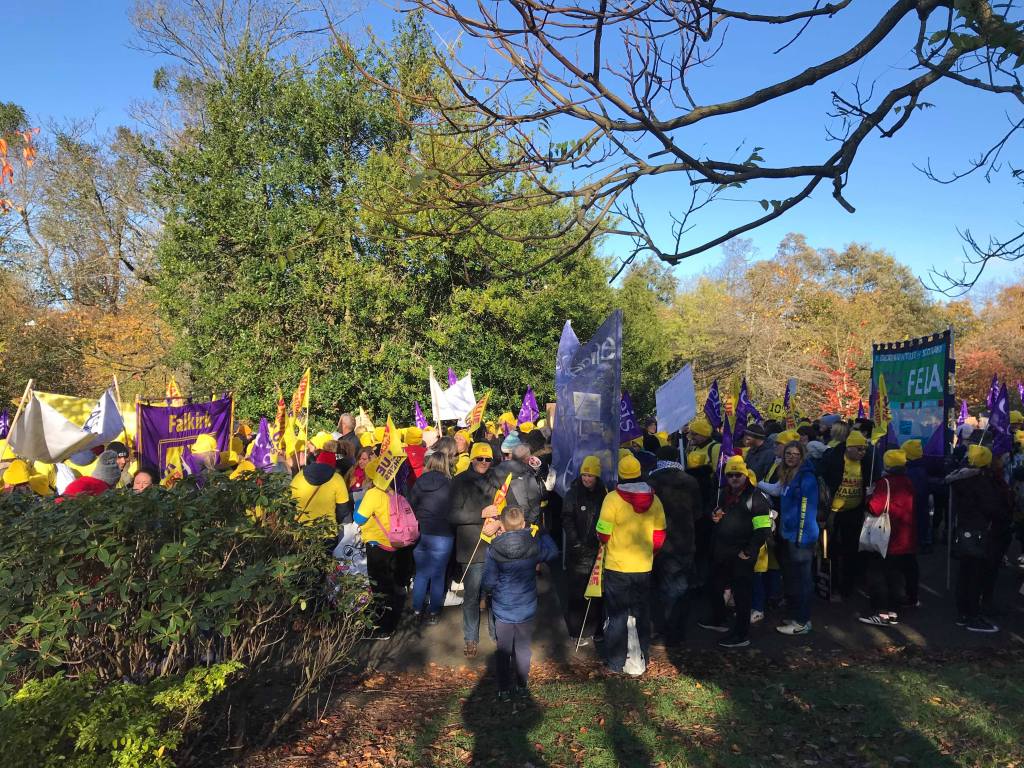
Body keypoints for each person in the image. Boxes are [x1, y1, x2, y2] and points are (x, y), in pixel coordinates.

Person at [595, 454, 667, 674]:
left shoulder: (612, 499)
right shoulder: (655, 500)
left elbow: (602, 533)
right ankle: (642, 658)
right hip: (643, 566)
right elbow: (660, 535)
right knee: (641, 613)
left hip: (617, 566)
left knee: (617, 616)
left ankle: (615, 663)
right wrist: (648, 553)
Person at [482, 505, 558, 702]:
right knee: (523, 648)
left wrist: (495, 590)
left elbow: (488, 582)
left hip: (503, 607)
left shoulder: (493, 549)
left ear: (502, 526)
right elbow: (553, 552)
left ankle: (503, 689)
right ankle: (522, 685)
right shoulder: (534, 545)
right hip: (526, 606)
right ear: (524, 524)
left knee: (503, 649)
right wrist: (543, 533)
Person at [699, 456, 772, 648]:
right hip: (721, 552)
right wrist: (712, 515)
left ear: (745, 475)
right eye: (730, 475)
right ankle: (718, 620)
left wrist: (748, 552)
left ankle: (741, 634)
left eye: (737, 475)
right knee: (714, 586)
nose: (733, 478)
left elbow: (763, 530)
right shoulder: (722, 493)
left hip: (741, 556)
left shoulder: (756, 498)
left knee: (742, 596)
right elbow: (709, 509)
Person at [759, 441, 819, 636]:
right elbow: (776, 490)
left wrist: (801, 536)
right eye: (788, 454)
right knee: (792, 579)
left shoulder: (806, 478)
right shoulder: (787, 475)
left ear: (802, 456)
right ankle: (795, 615)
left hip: (801, 538)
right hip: (788, 535)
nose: (791, 457)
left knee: (803, 581)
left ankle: (803, 621)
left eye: (795, 454)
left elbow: (807, 510)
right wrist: (754, 480)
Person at [449, 440, 499, 657]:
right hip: (472, 548)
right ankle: (470, 638)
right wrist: (481, 514)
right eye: (480, 458)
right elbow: (451, 515)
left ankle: (497, 635)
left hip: (497, 546)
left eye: (488, 459)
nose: (484, 463)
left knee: (496, 594)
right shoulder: (459, 482)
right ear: (472, 458)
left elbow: (512, 507)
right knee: (471, 596)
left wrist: (500, 522)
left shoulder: (498, 480)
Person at [355, 458, 415, 640]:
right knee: (389, 584)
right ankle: (389, 620)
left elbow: (359, 519)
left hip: (377, 545)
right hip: (393, 544)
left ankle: (384, 628)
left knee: (380, 588)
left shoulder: (373, 493)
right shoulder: (392, 491)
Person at [647, 445, 700, 647]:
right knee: (679, 589)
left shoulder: (651, 482)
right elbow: (698, 512)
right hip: (685, 541)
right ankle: (678, 632)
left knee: (661, 589)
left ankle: (665, 632)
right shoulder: (690, 481)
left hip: (659, 542)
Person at [946, 445, 1003, 633]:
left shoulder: (961, 479)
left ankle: (963, 612)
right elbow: (992, 508)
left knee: (965, 573)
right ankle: (972, 615)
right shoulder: (981, 482)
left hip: (964, 530)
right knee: (975, 575)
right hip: (979, 531)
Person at [859, 449, 918, 627]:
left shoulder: (885, 482)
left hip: (886, 538)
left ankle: (881, 612)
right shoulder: (907, 481)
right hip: (903, 536)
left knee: (877, 575)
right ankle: (893, 610)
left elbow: (876, 508)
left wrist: (868, 496)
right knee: (895, 575)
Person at [819, 429, 872, 600]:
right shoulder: (834, 459)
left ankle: (848, 587)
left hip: (854, 512)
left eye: (864, 449)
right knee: (830, 549)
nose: (862, 453)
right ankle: (830, 585)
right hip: (833, 513)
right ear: (849, 448)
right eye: (859, 449)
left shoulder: (866, 462)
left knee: (851, 549)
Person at [562, 455, 607, 644]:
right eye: (584, 475)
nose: (587, 479)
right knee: (577, 593)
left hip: (597, 551)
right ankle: (577, 631)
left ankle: (596, 629)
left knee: (597, 593)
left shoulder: (604, 494)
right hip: (578, 552)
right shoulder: (573, 493)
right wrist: (575, 542)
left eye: (591, 475)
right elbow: (567, 518)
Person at [409, 451, 454, 624]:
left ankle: (417, 609)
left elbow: (411, 505)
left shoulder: (419, 482)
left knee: (421, 573)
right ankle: (433, 612)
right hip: (443, 534)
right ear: (445, 464)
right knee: (438, 575)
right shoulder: (450, 484)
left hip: (421, 532)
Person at [291, 450, 353, 530]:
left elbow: (289, 503)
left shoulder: (299, 476)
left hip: (301, 529)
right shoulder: (337, 479)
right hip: (328, 530)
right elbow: (343, 509)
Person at [489, 444, 545, 526]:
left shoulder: (496, 470)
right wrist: (528, 523)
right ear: (526, 459)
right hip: (521, 520)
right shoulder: (527, 475)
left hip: (500, 519)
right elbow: (535, 504)